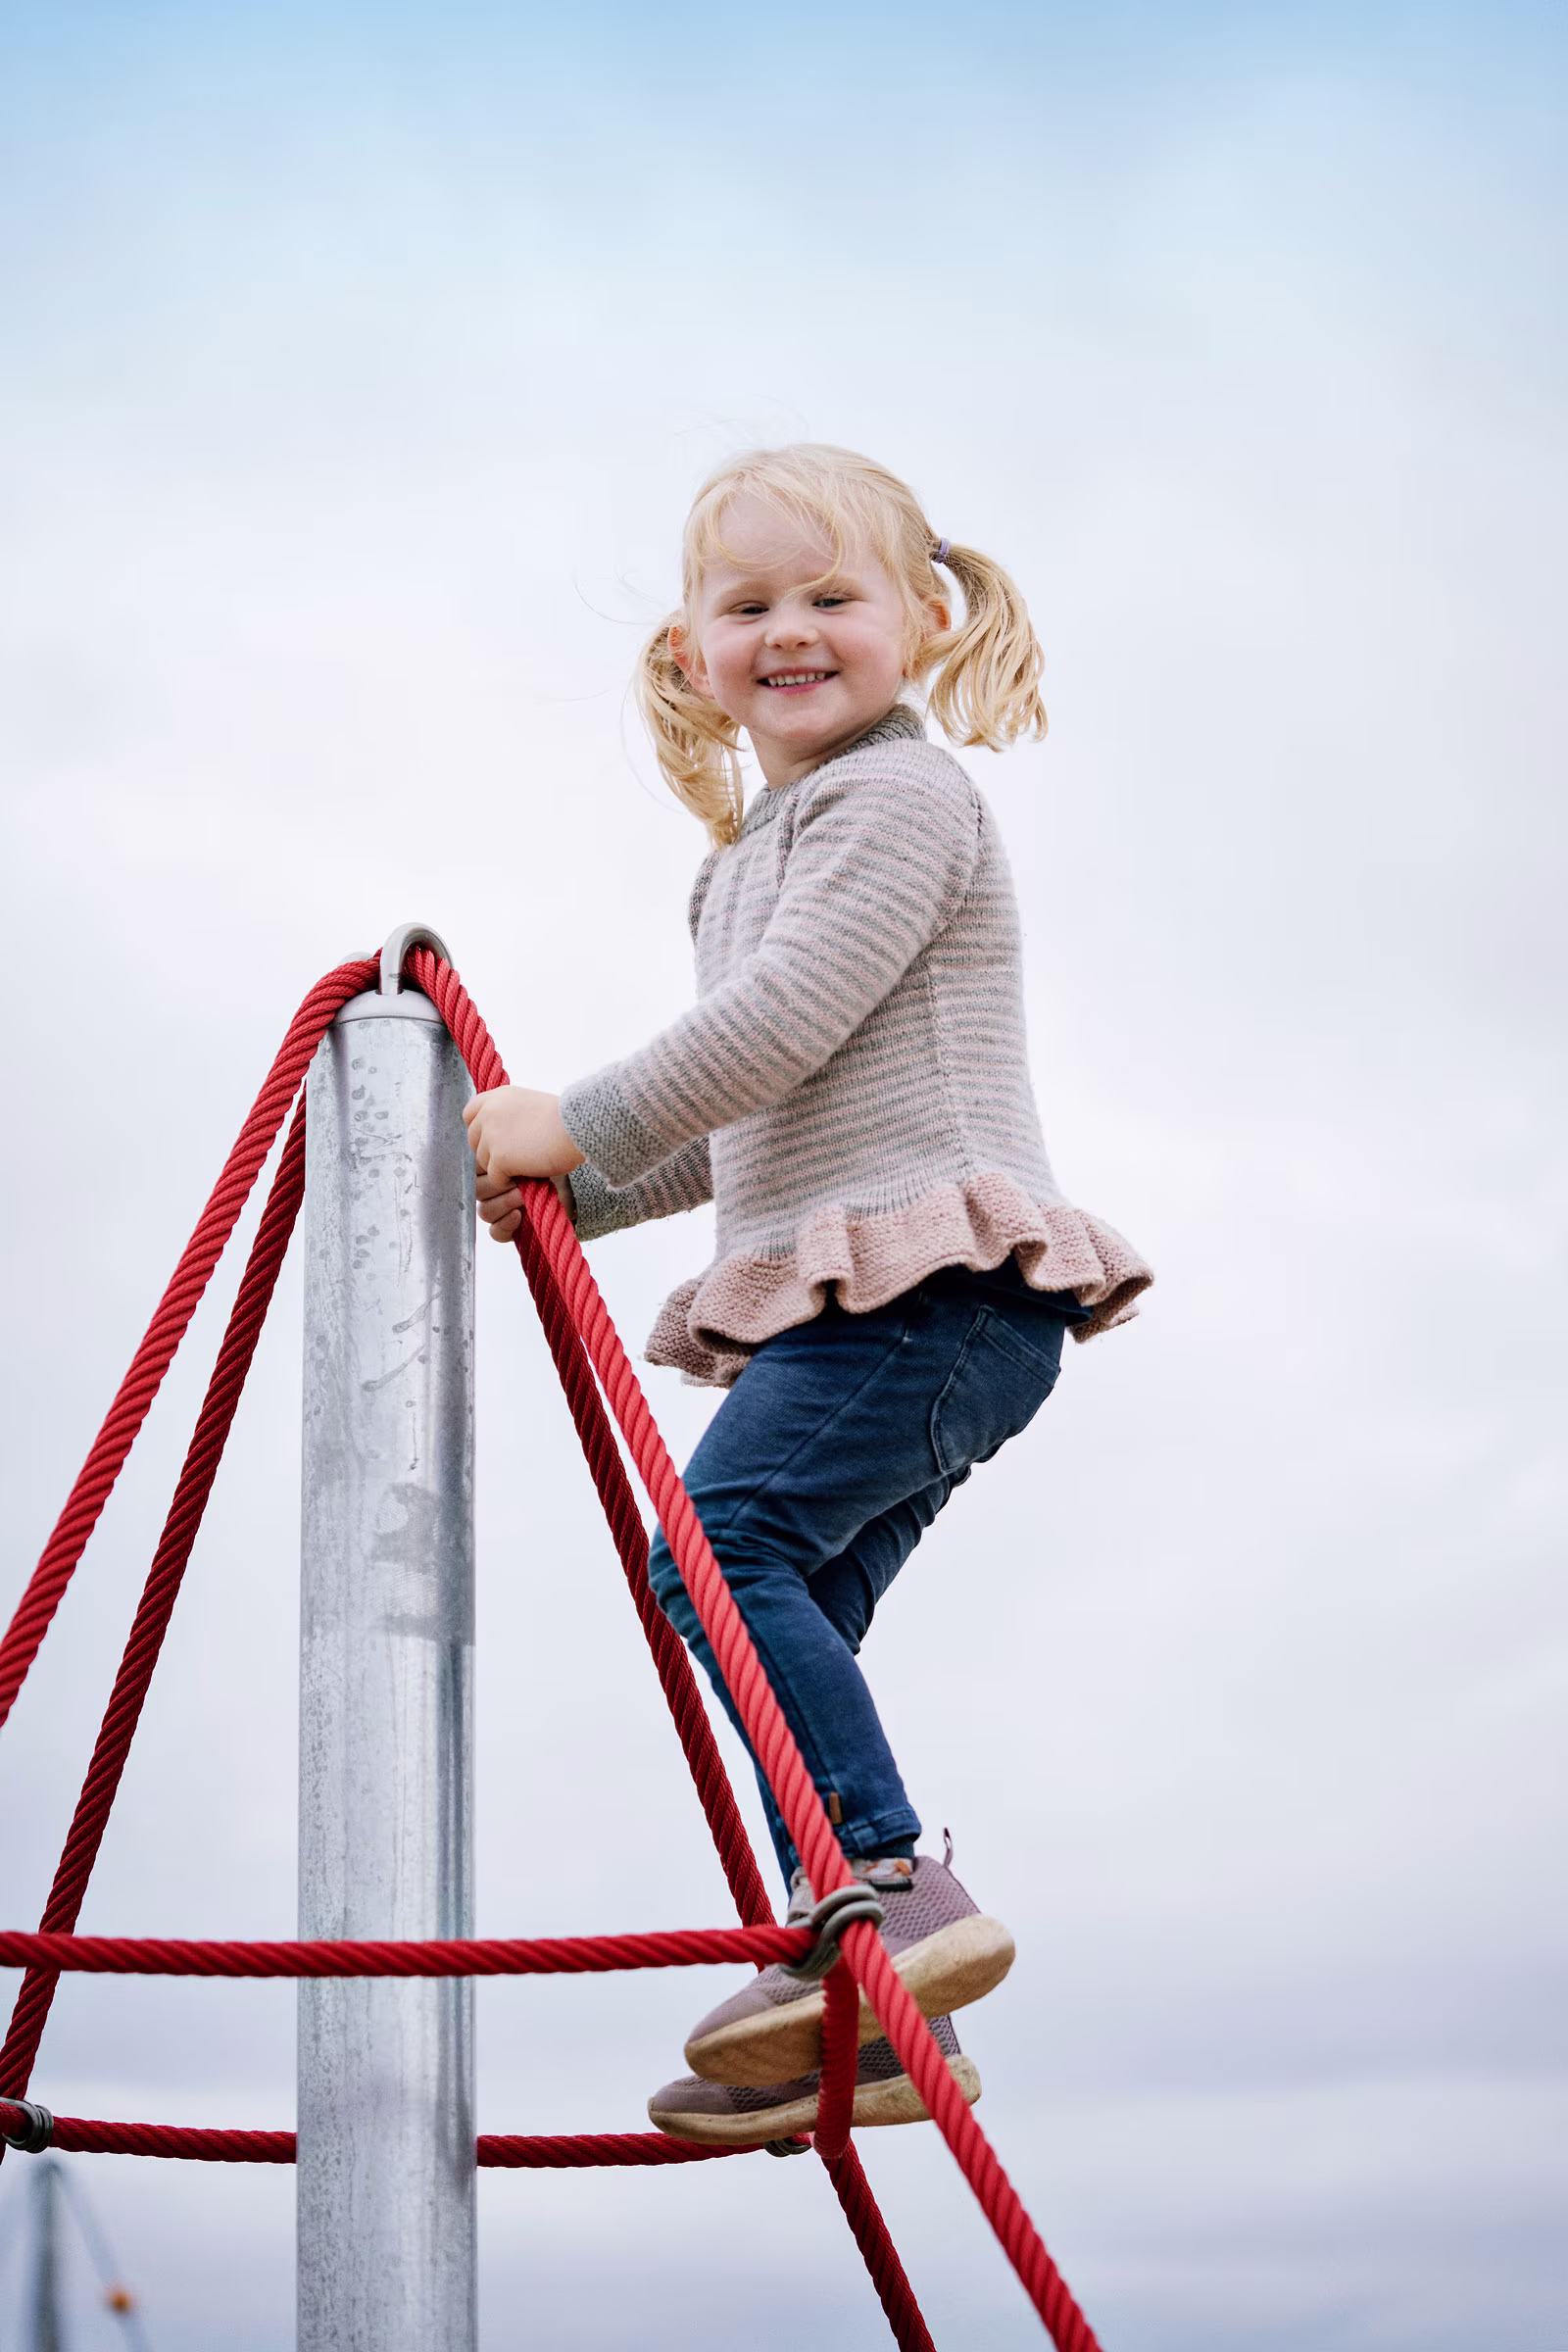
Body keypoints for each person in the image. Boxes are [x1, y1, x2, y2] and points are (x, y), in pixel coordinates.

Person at [462, 444, 1152, 2145]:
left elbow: (768, 1029)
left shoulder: (905, 804)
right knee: (782, 1619)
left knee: (720, 1558)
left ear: (919, 620)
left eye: (832, 597)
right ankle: (868, 2001)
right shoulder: (754, 856)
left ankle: (886, 1894)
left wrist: (580, 1117)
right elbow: (775, 1106)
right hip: (910, 1310)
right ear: (687, 650)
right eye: (746, 602)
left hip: (932, 1296)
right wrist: (584, 1190)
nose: (790, 630)